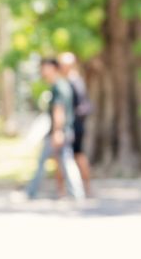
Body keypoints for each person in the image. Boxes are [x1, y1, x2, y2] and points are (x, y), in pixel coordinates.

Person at [25, 58, 85, 201]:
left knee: (48, 161)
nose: (43, 71)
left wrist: (57, 131)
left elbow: (59, 110)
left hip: (59, 131)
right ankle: (77, 193)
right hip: (63, 130)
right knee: (66, 161)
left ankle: (31, 192)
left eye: (45, 68)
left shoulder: (59, 87)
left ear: (53, 68)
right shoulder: (61, 85)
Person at [58, 52, 92, 196]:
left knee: (75, 156)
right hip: (73, 125)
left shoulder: (73, 82)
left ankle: (82, 188)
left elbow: (78, 106)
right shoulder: (71, 81)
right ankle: (63, 190)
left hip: (73, 126)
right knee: (70, 156)